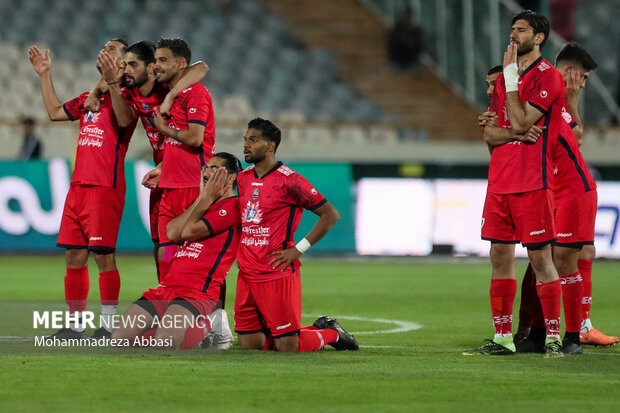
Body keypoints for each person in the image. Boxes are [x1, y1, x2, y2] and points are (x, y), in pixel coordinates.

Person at [465, 11, 567, 357]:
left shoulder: (548, 77)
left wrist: (511, 83)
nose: (513, 34)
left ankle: (553, 338)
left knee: (540, 260)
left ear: (538, 38)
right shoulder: (507, 77)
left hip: (532, 181)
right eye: (512, 29)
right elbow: (491, 135)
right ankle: (503, 337)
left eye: (521, 29)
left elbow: (524, 117)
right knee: (499, 256)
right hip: (499, 182)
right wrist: (515, 132)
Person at [29, 39, 138, 340]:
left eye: (113, 49)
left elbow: (126, 119)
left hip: (105, 186)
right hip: (78, 187)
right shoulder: (88, 98)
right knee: (74, 256)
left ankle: (107, 325)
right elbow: (53, 112)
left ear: (124, 61)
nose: (105, 50)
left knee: (103, 256)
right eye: (103, 47)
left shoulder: (127, 96)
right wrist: (44, 74)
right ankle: (75, 325)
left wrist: (108, 84)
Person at [515, 42, 618, 349]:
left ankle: (573, 333)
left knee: (563, 259)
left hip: (572, 190)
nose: (583, 84)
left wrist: (571, 98)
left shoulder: (555, 94)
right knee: (541, 260)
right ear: (570, 72)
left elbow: (575, 136)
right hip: (553, 188)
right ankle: (535, 331)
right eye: (583, 77)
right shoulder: (547, 90)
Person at [234, 118, 358, 352]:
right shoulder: (243, 179)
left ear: (270, 146)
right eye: (245, 139)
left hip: (275, 270)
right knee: (250, 345)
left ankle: (332, 333)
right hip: (247, 273)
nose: (246, 145)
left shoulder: (290, 180)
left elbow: (330, 215)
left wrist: (298, 249)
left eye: (253, 140)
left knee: (288, 347)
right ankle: (298, 331)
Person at [112, 153, 241, 349]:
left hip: (198, 291)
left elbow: (188, 231)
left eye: (215, 169)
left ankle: (211, 323)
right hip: (166, 287)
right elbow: (172, 232)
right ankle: (193, 333)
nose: (206, 172)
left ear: (231, 178)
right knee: (119, 339)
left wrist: (205, 198)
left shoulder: (233, 207)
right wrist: (202, 198)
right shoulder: (203, 204)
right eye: (206, 167)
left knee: (165, 344)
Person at [141, 38, 216, 284]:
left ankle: (213, 316)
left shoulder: (195, 93)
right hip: (170, 187)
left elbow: (195, 138)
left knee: (198, 258)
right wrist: (163, 168)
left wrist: (163, 128)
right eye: (156, 60)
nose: (157, 65)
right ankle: (169, 312)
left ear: (181, 63)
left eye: (163, 60)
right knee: (166, 255)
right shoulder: (173, 94)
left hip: (194, 186)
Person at [387, 7, 422, 72]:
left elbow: (417, 41)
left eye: (410, 15)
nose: (408, 17)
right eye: (407, 15)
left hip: (410, 53)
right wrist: (405, 41)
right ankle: (397, 63)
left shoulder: (415, 29)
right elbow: (396, 37)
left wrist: (411, 42)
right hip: (400, 52)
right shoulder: (398, 27)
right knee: (394, 42)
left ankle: (411, 64)